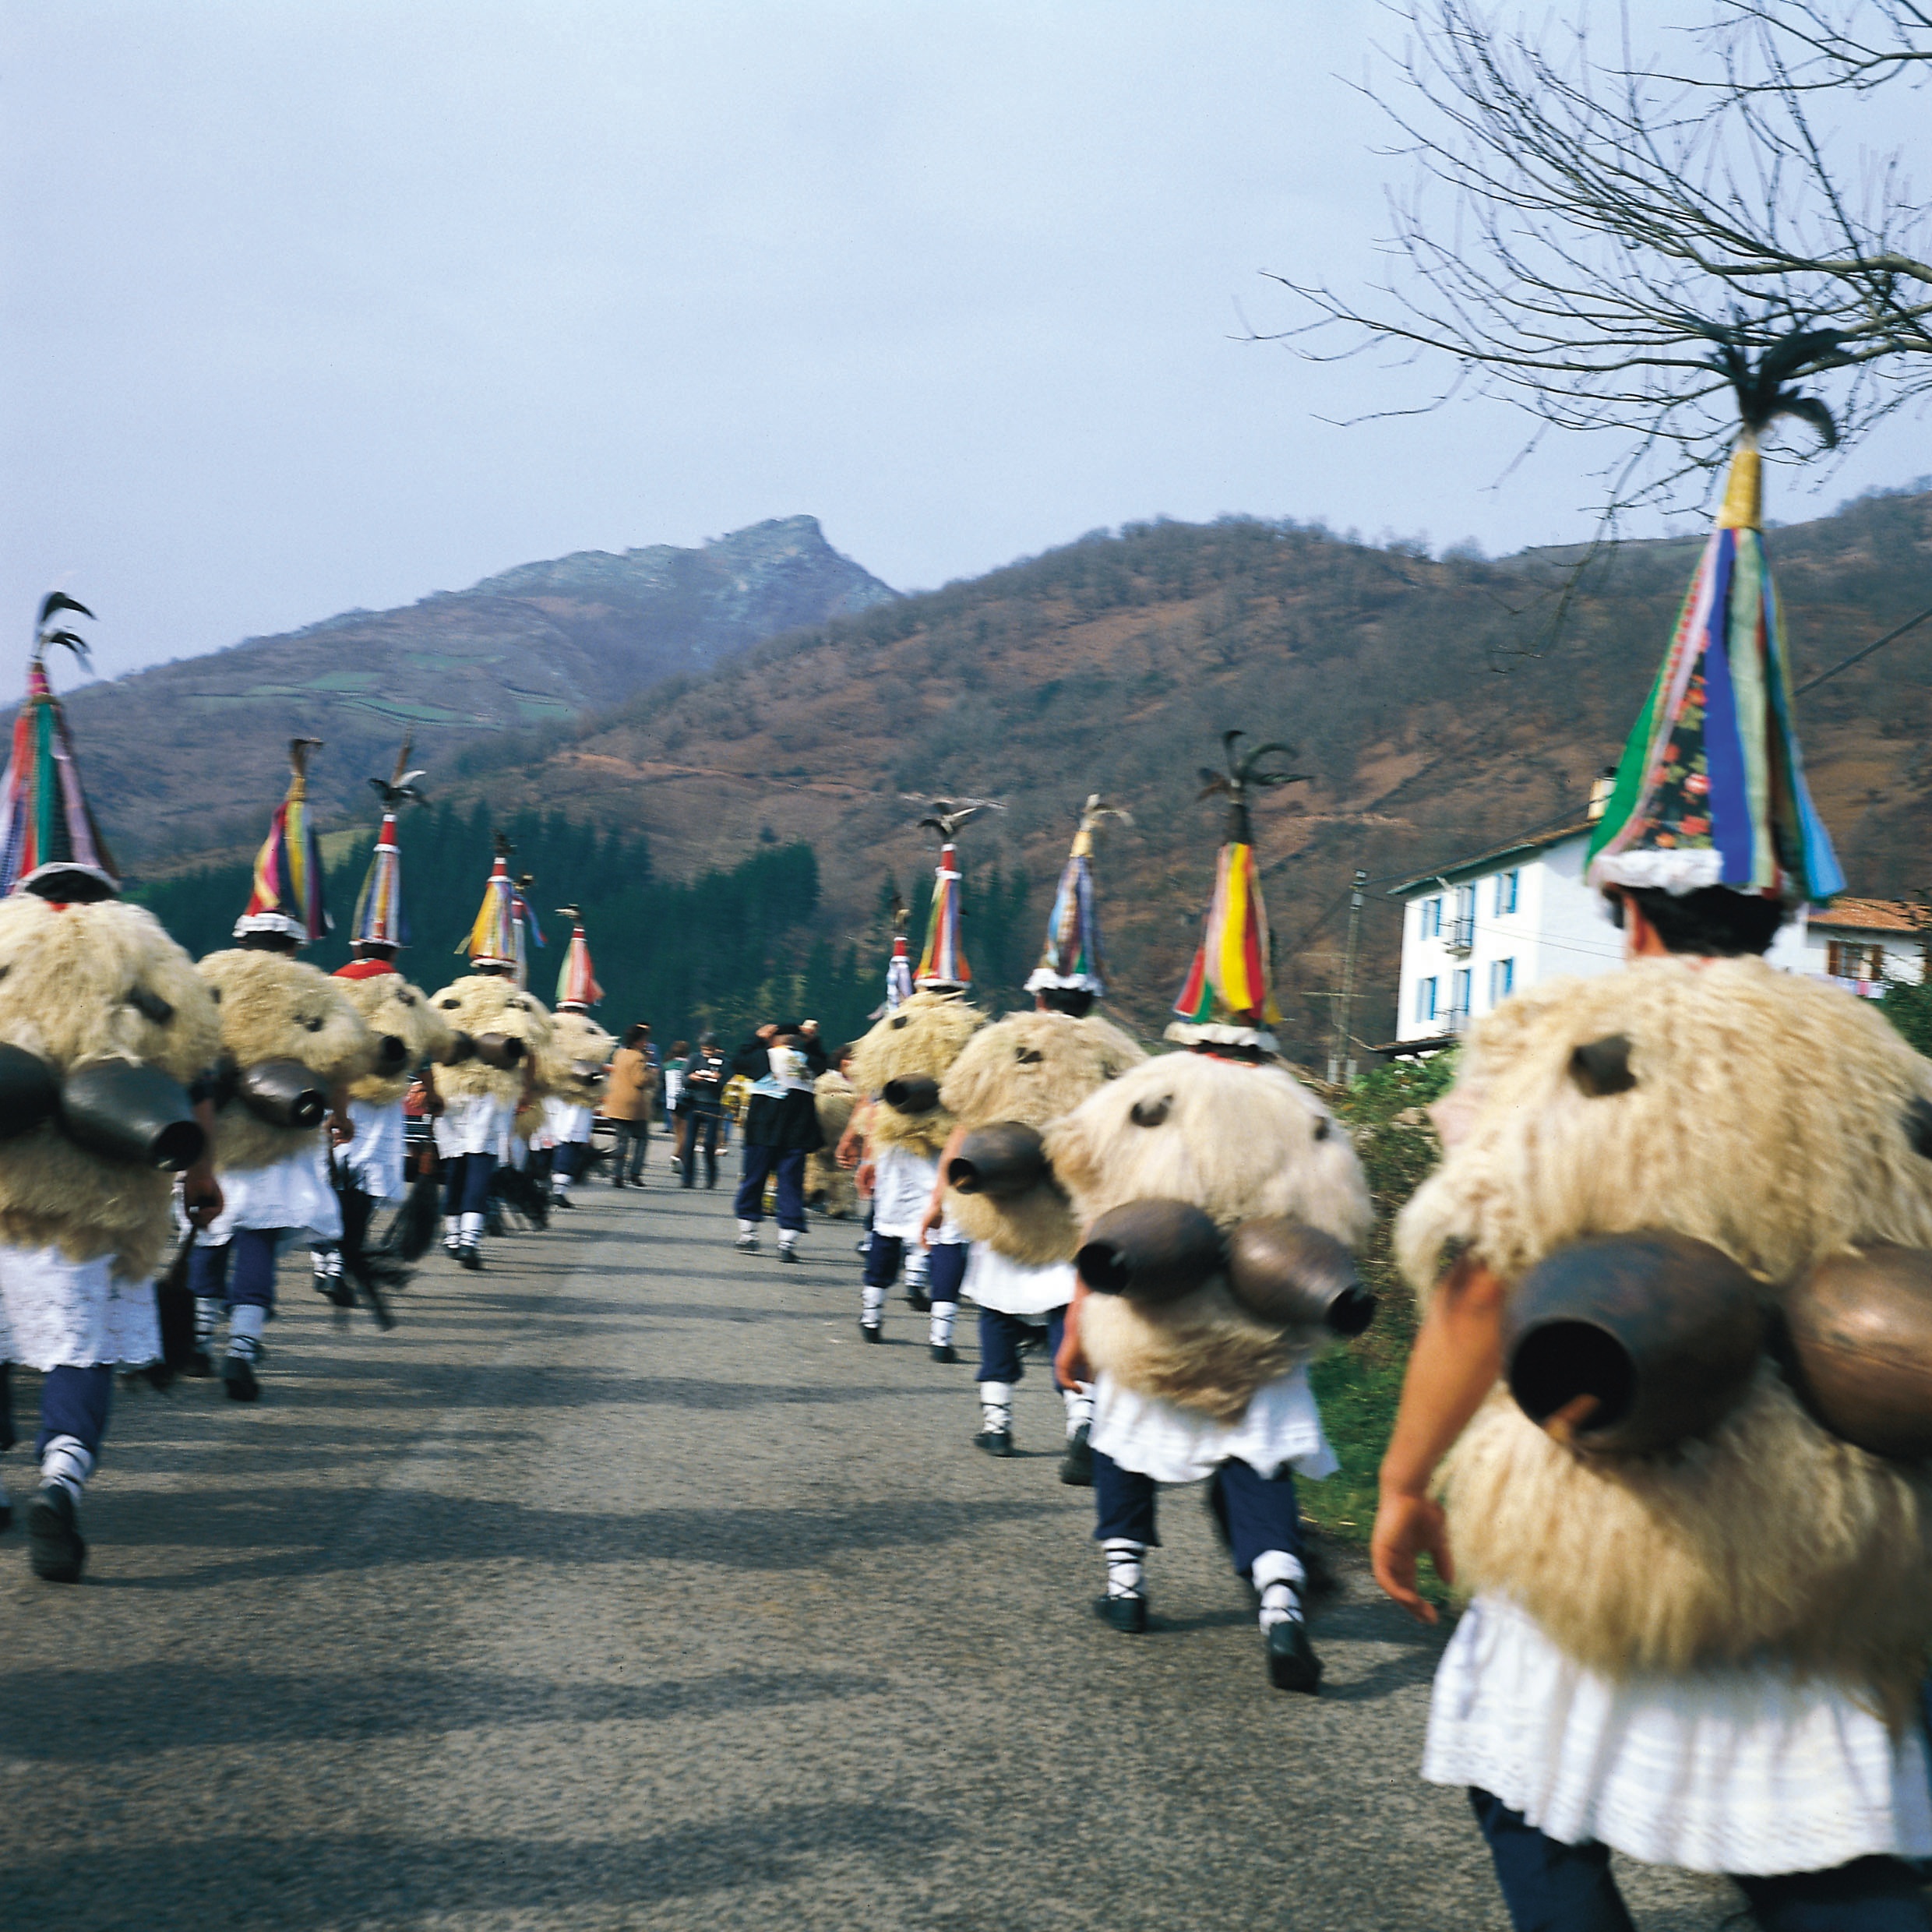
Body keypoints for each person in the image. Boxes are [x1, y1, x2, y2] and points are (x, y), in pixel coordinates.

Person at [1374, 435, 1932, 1928]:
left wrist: (1407, 1477)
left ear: (1623, 898)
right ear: (1782, 899)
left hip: (1602, 1508)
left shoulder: (1557, 1049)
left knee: (1530, 1796)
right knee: (1826, 1834)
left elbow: (1481, 1290)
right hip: (1823, 1523)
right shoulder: (1871, 1057)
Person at [730, 1025, 823, 1260]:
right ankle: (787, 1242)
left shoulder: (763, 1057)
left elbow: (737, 1061)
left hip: (762, 1132)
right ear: (797, 1040)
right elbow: (824, 1061)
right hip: (796, 1136)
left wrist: (755, 1038)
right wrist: (812, 1042)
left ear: (773, 1039)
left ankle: (748, 1235)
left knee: (753, 1181)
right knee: (791, 1186)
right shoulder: (809, 1062)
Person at [603, 1024, 656, 1187]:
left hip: (615, 1102)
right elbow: (640, 1080)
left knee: (621, 1141)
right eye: (644, 1040)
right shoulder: (638, 1058)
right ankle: (634, 1173)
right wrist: (651, 1073)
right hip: (633, 1105)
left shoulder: (619, 1054)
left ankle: (617, 1174)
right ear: (639, 1041)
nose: (646, 1043)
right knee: (642, 1139)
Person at [679, 1035, 728, 1189]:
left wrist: (718, 1079)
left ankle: (711, 1177)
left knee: (709, 1144)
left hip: (714, 1105)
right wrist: (693, 1077)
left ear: (716, 1048)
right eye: (704, 1049)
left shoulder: (725, 1063)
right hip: (694, 1104)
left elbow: (728, 1086)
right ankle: (688, 1178)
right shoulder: (694, 1059)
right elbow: (684, 1081)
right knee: (689, 1144)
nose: (707, 1052)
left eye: (710, 1049)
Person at [662, 1039, 688, 1172]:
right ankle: (677, 1156)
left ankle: (680, 1158)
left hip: (671, 1101)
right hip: (685, 1101)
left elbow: (662, 1083)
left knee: (678, 1132)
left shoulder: (667, 1065)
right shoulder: (689, 1065)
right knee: (685, 1132)